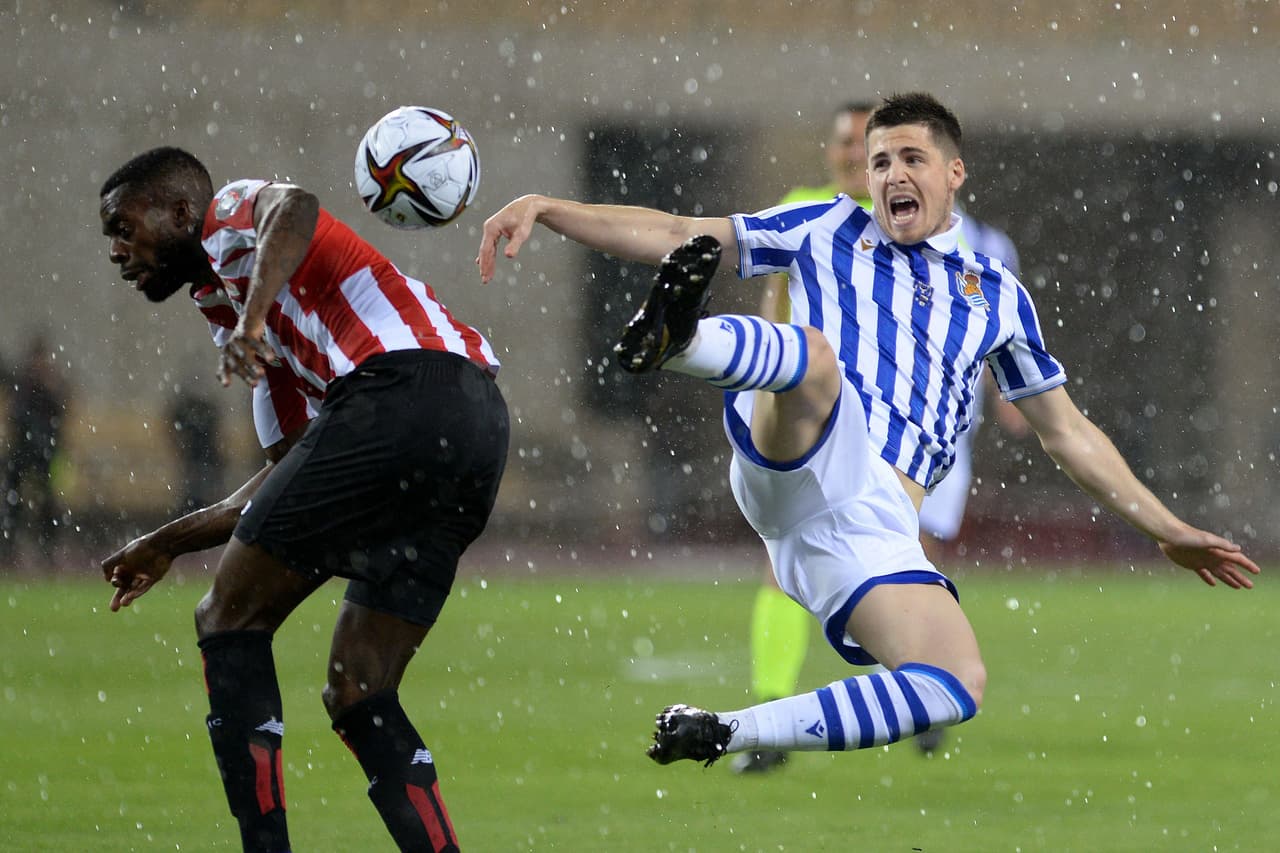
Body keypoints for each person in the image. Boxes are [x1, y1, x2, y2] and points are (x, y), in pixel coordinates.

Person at [476, 92, 1258, 771]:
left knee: (955, 683)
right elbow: (681, 228)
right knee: (815, 360)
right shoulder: (825, 226)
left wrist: (1168, 528)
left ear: (954, 173)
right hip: (794, 438)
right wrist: (550, 211)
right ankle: (678, 343)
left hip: (868, 528)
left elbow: (1067, 432)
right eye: (879, 161)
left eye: (910, 157)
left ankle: (728, 730)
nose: (889, 175)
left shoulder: (998, 295)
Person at [98, 147, 509, 852]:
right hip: (474, 424)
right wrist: (167, 540)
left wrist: (254, 321)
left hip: (398, 392)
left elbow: (296, 205)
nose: (116, 251)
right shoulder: (239, 320)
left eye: (123, 227)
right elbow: (291, 476)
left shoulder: (230, 219)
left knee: (228, 616)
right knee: (359, 689)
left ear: (178, 213)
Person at [734, 102, 1030, 771]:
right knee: (785, 564)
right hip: (825, 421)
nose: (852, 158)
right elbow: (773, 300)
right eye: (849, 147)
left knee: (911, 554)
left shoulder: (969, 241)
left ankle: (918, 688)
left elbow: (986, 325)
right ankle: (773, 704)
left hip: (926, 430)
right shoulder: (809, 211)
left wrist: (1011, 399)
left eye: (902, 157)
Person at [1, 334, 70, 562]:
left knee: (47, 499)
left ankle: (47, 547)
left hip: (46, 452)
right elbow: (16, 418)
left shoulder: (51, 385)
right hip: (24, 451)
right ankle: (9, 545)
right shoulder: (23, 384)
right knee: (13, 496)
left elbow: (61, 414)